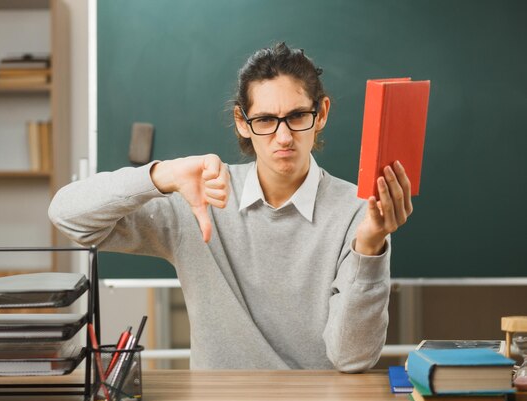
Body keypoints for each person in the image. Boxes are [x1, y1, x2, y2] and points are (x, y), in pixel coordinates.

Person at [49, 42, 413, 372]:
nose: (283, 137)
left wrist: (369, 247)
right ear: (242, 123)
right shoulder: (203, 196)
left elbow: (353, 358)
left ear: (321, 114)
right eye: (266, 120)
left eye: (297, 116)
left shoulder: (359, 213)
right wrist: (162, 174)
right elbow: (68, 215)